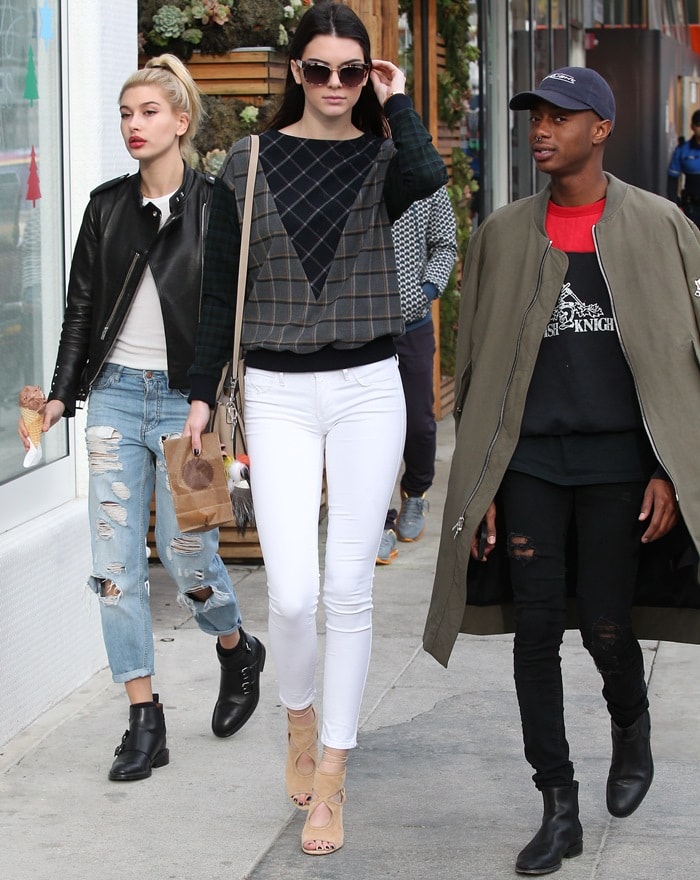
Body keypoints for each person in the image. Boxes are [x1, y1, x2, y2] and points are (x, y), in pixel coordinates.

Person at [184, 0, 446, 856]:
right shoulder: (247, 163)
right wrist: (199, 395)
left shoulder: (381, 158)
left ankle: (331, 773)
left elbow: (429, 179)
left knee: (349, 589)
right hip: (279, 391)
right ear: (296, 72)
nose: (336, 85)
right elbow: (218, 287)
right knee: (292, 594)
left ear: (364, 74)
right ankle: (300, 718)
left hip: (370, 385)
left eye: (351, 70)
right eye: (321, 69)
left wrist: (397, 97)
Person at [423, 66, 700, 875]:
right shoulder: (503, 235)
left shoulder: (662, 227)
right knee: (536, 633)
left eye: (561, 116)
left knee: (608, 627)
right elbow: (476, 368)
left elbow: (681, 366)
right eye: (535, 116)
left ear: (600, 129)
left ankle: (631, 720)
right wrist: (483, 487)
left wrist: (668, 470)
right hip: (532, 464)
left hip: (620, 463)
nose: (542, 130)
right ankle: (559, 804)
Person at [19, 55, 265, 782]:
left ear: (181, 122)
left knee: (187, 553)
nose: (134, 125)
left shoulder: (216, 205)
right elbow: (80, 313)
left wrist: (205, 394)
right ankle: (144, 719)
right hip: (117, 398)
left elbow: (225, 313)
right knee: (115, 569)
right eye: (126, 114)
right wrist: (64, 395)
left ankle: (234, 646)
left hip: (188, 404)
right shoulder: (105, 206)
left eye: (149, 112)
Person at [376, 185, 457, 563]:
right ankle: (376, 521)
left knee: (420, 422)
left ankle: (416, 493)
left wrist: (424, 289)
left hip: (413, 322)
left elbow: (444, 245)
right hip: (361, 324)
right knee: (368, 429)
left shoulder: (427, 182)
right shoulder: (357, 167)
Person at [667, 108, 700, 225]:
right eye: (698, 124)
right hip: (692, 208)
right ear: (692, 126)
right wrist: (676, 205)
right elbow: (672, 179)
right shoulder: (683, 150)